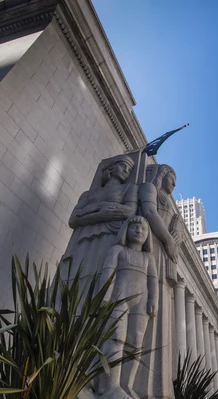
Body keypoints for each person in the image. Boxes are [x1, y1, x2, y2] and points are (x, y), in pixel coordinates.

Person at [96, 216, 158, 399]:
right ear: (125, 230)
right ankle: (110, 386)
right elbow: (108, 273)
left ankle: (126, 385)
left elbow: (153, 281)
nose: (139, 230)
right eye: (135, 226)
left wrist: (153, 300)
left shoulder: (148, 257)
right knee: (116, 339)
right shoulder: (117, 250)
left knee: (136, 342)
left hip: (141, 302)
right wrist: (104, 297)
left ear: (147, 236)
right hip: (119, 298)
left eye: (143, 228)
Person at [60, 154, 138, 282]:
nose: (126, 171)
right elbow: (73, 219)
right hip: (82, 237)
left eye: (129, 170)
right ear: (111, 168)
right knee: (73, 274)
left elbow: (130, 211)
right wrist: (100, 212)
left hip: (109, 234)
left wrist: (89, 210)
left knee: (99, 272)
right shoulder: (88, 194)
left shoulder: (129, 188)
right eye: (123, 166)